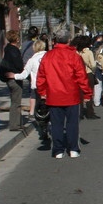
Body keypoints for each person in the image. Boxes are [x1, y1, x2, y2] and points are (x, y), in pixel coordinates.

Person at [37, 31, 91, 159]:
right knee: (72, 124)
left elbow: (41, 76)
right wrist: (87, 93)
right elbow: (81, 76)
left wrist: (42, 92)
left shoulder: (48, 56)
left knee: (56, 125)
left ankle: (58, 150)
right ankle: (73, 149)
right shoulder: (74, 56)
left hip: (54, 94)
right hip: (71, 95)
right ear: (68, 41)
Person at [0, 30, 25, 131]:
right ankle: (15, 124)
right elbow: (18, 64)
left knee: (14, 100)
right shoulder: (14, 50)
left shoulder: (7, 49)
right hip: (15, 77)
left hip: (9, 77)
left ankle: (17, 122)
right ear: (16, 38)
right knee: (16, 102)